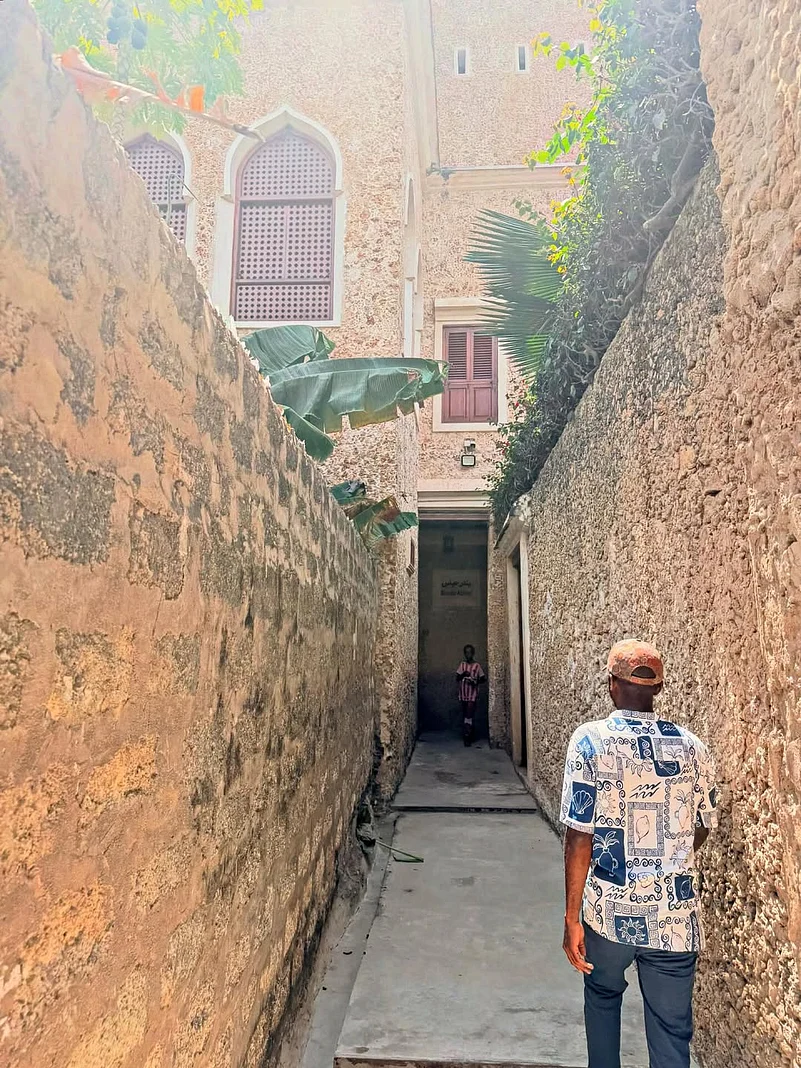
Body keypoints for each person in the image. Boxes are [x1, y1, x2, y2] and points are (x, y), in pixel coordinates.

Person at [560, 639, 718, 1068]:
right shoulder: (693, 748)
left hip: (609, 914)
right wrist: (668, 857)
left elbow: (579, 835)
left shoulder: (590, 741)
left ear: (612, 685)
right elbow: (702, 822)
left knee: (604, 999)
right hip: (674, 918)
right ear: (659, 690)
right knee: (671, 1032)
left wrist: (572, 919)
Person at [456, 644, 486, 746]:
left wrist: (475, 682)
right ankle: (469, 733)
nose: (468, 654)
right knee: (466, 714)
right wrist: (463, 674)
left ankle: (467, 737)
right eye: (466, 652)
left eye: (470, 652)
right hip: (463, 693)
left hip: (472, 693)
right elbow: (457, 678)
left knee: (469, 713)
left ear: (473, 653)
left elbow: (483, 678)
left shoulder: (477, 666)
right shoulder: (462, 665)